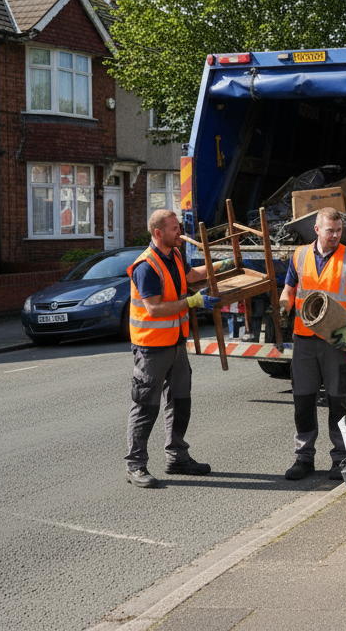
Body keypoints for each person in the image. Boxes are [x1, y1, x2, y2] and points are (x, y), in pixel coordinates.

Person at [123, 208, 217, 489]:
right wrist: (193, 303)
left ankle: (177, 457)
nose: (181, 233)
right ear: (158, 233)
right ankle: (135, 465)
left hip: (176, 343)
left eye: (179, 227)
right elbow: (153, 308)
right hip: (151, 348)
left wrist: (219, 266)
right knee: (145, 406)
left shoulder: (174, 254)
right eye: (175, 229)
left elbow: (189, 277)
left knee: (180, 401)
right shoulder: (146, 266)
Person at [278, 207, 346, 481]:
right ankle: (303, 458)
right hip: (304, 340)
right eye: (330, 231)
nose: (335, 236)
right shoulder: (300, 255)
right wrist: (284, 307)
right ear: (317, 230)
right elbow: (290, 290)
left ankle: (341, 459)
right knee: (303, 401)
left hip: (335, 342)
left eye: (339, 231)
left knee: (337, 400)